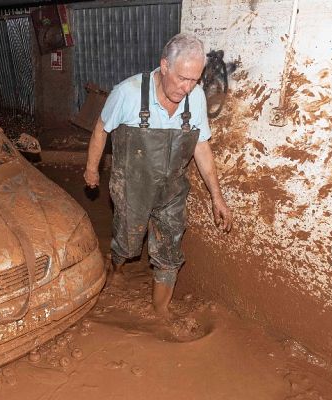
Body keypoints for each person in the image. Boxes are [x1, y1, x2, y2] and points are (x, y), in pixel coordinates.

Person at [83, 32, 233, 317]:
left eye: (194, 80)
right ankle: (117, 265)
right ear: (164, 65)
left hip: (172, 190)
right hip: (132, 187)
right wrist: (92, 169)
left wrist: (217, 197)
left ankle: (160, 310)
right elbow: (101, 129)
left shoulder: (195, 98)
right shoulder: (127, 93)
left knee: (170, 247)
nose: (187, 87)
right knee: (128, 241)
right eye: (181, 78)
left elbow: (201, 146)